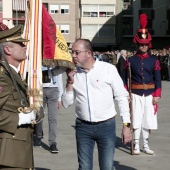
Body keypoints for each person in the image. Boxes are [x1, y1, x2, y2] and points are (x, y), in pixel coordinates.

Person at [62, 39, 132, 170]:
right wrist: (70, 83)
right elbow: (66, 103)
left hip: (106, 126)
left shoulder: (108, 69)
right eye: (72, 52)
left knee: (106, 166)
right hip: (83, 127)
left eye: (77, 52)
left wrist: (126, 125)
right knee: (84, 167)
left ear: (88, 53)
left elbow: (122, 97)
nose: (73, 56)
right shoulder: (74, 73)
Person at [122, 14, 162, 155]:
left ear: (148, 44)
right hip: (135, 94)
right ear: (137, 44)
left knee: (148, 121)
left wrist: (157, 95)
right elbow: (124, 78)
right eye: (141, 44)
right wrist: (127, 93)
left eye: (145, 44)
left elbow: (158, 79)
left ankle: (146, 145)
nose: (143, 47)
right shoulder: (130, 60)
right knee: (137, 120)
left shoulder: (154, 60)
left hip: (150, 95)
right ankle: (137, 145)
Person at [0, 24, 36, 169]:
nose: (24, 47)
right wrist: (21, 118)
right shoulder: (3, 77)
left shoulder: (13, 74)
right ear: (7, 49)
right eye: (20, 44)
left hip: (18, 150)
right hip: (9, 154)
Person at [34, 66, 63, 154]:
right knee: (39, 115)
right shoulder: (38, 61)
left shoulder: (55, 63)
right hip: (40, 89)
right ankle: (38, 136)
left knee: (52, 118)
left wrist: (60, 98)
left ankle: (52, 143)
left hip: (53, 89)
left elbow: (59, 79)